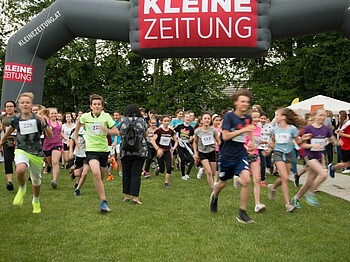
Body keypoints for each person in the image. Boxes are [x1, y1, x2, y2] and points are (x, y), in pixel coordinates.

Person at [0, 92, 52, 213]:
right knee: (20, 169)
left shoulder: (38, 119)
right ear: (19, 105)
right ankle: (22, 188)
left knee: (36, 181)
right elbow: (10, 130)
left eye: (27, 103)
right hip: (21, 149)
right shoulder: (16, 119)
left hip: (36, 152)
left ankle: (36, 200)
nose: (25, 105)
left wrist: (44, 124)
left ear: (31, 105)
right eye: (22, 103)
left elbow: (50, 136)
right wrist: (2, 140)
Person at [209, 88, 256, 224]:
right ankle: (214, 196)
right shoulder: (229, 117)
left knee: (247, 180)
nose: (245, 104)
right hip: (226, 155)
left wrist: (251, 141)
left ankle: (242, 212)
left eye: (247, 102)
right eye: (242, 101)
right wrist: (243, 130)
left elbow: (250, 129)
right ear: (236, 102)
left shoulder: (248, 118)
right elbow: (225, 136)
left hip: (240, 154)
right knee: (223, 183)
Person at [74, 94, 118, 212]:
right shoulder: (85, 117)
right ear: (91, 106)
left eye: (99, 104)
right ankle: (103, 202)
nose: (97, 106)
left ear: (102, 106)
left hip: (103, 150)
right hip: (91, 149)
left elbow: (116, 132)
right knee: (95, 172)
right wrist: (76, 138)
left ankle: (99, 186)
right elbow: (78, 126)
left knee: (101, 175)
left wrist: (107, 130)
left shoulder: (106, 117)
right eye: (95, 104)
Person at [291, 108, 337, 208]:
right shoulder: (308, 129)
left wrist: (335, 142)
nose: (322, 117)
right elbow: (303, 145)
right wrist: (312, 146)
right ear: (314, 116)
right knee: (323, 174)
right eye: (320, 115)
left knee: (308, 182)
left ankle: (295, 198)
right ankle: (311, 194)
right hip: (309, 156)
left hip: (318, 156)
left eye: (324, 115)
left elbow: (332, 140)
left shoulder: (326, 129)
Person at [265, 108, 306, 212]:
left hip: (289, 153)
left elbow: (298, 142)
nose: (276, 117)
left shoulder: (292, 129)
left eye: (277, 115)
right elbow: (273, 142)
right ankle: (288, 205)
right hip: (278, 153)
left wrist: (304, 138)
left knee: (285, 178)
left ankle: (272, 187)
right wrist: (269, 150)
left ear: (283, 117)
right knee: (284, 177)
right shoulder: (274, 129)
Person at [118, 104, 148, 204]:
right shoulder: (142, 121)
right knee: (136, 174)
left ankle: (126, 196)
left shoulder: (123, 120)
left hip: (125, 150)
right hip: (139, 150)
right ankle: (135, 198)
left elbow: (120, 132)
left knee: (126, 174)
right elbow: (145, 133)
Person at [193, 112, 220, 190]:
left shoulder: (213, 130)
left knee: (214, 172)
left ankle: (214, 184)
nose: (207, 120)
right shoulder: (198, 131)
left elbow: (218, 141)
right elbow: (195, 142)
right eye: (205, 118)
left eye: (208, 118)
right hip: (202, 152)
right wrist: (195, 153)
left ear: (210, 120)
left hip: (211, 152)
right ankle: (212, 189)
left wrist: (217, 144)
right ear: (202, 120)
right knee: (209, 171)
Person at [151, 115, 178, 189]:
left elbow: (176, 141)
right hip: (160, 151)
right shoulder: (159, 131)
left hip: (167, 151)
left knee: (169, 167)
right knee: (162, 170)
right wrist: (158, 149)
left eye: (168, 121)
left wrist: (173, 147)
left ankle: (166, 183)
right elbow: (152, 141)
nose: (166, 122)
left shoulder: (171, 131)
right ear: (161, 121)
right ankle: (158, 168)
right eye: (165, 121)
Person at [42, 108, 63, 189]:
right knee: (51, 163)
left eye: (55, 113)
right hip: (47, 145)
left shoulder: (60, 123)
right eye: (52, 113)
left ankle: (54, 181)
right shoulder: (46, 122)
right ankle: (50, 169)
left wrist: (67, 139)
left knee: (55, 162)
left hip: (57, 144)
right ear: (49, 115)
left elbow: (60, 133)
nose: (54, 115)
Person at [0, 100, 17, 191]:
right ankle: (9, 182)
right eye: (7, 106)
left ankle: (22, 178)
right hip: (6, 141)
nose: (9, 108)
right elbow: (2, 128)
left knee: (17, 161)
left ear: (14, 108)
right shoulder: (3, 117)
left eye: (11, 106)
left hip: (18, 141)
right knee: (7, 160)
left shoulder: (18, 117)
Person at [328, 112, 350, 178]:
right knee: (346, 164)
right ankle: (333, 167)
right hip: (347, 146)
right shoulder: (348, 124)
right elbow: (339, 133)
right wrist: (349, 136)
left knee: (347, 164)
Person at [174, 112, 195, 180]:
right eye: (186, 117)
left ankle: (187, 173)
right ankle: (183, 175)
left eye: (189, 117)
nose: (188, 118)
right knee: (182, 159)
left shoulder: (191, 128)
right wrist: (176, 139)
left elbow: (191, 136)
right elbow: (173, 133)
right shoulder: (180, 126)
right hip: (180, 144)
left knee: (190, 159)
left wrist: (190, 139)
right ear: (184, 118)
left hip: (187, 144)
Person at [258, 112, 273, 187]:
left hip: (268, 147)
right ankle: (262, 180)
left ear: (267, 119)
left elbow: (273, 137)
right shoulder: (257, 126)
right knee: (263, 163)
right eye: (261, 118)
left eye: (264, 118)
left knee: (268, 164)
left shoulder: (270, 127)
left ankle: (271, 166)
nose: (263, 120)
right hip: (260, 147)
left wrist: (271, 146)